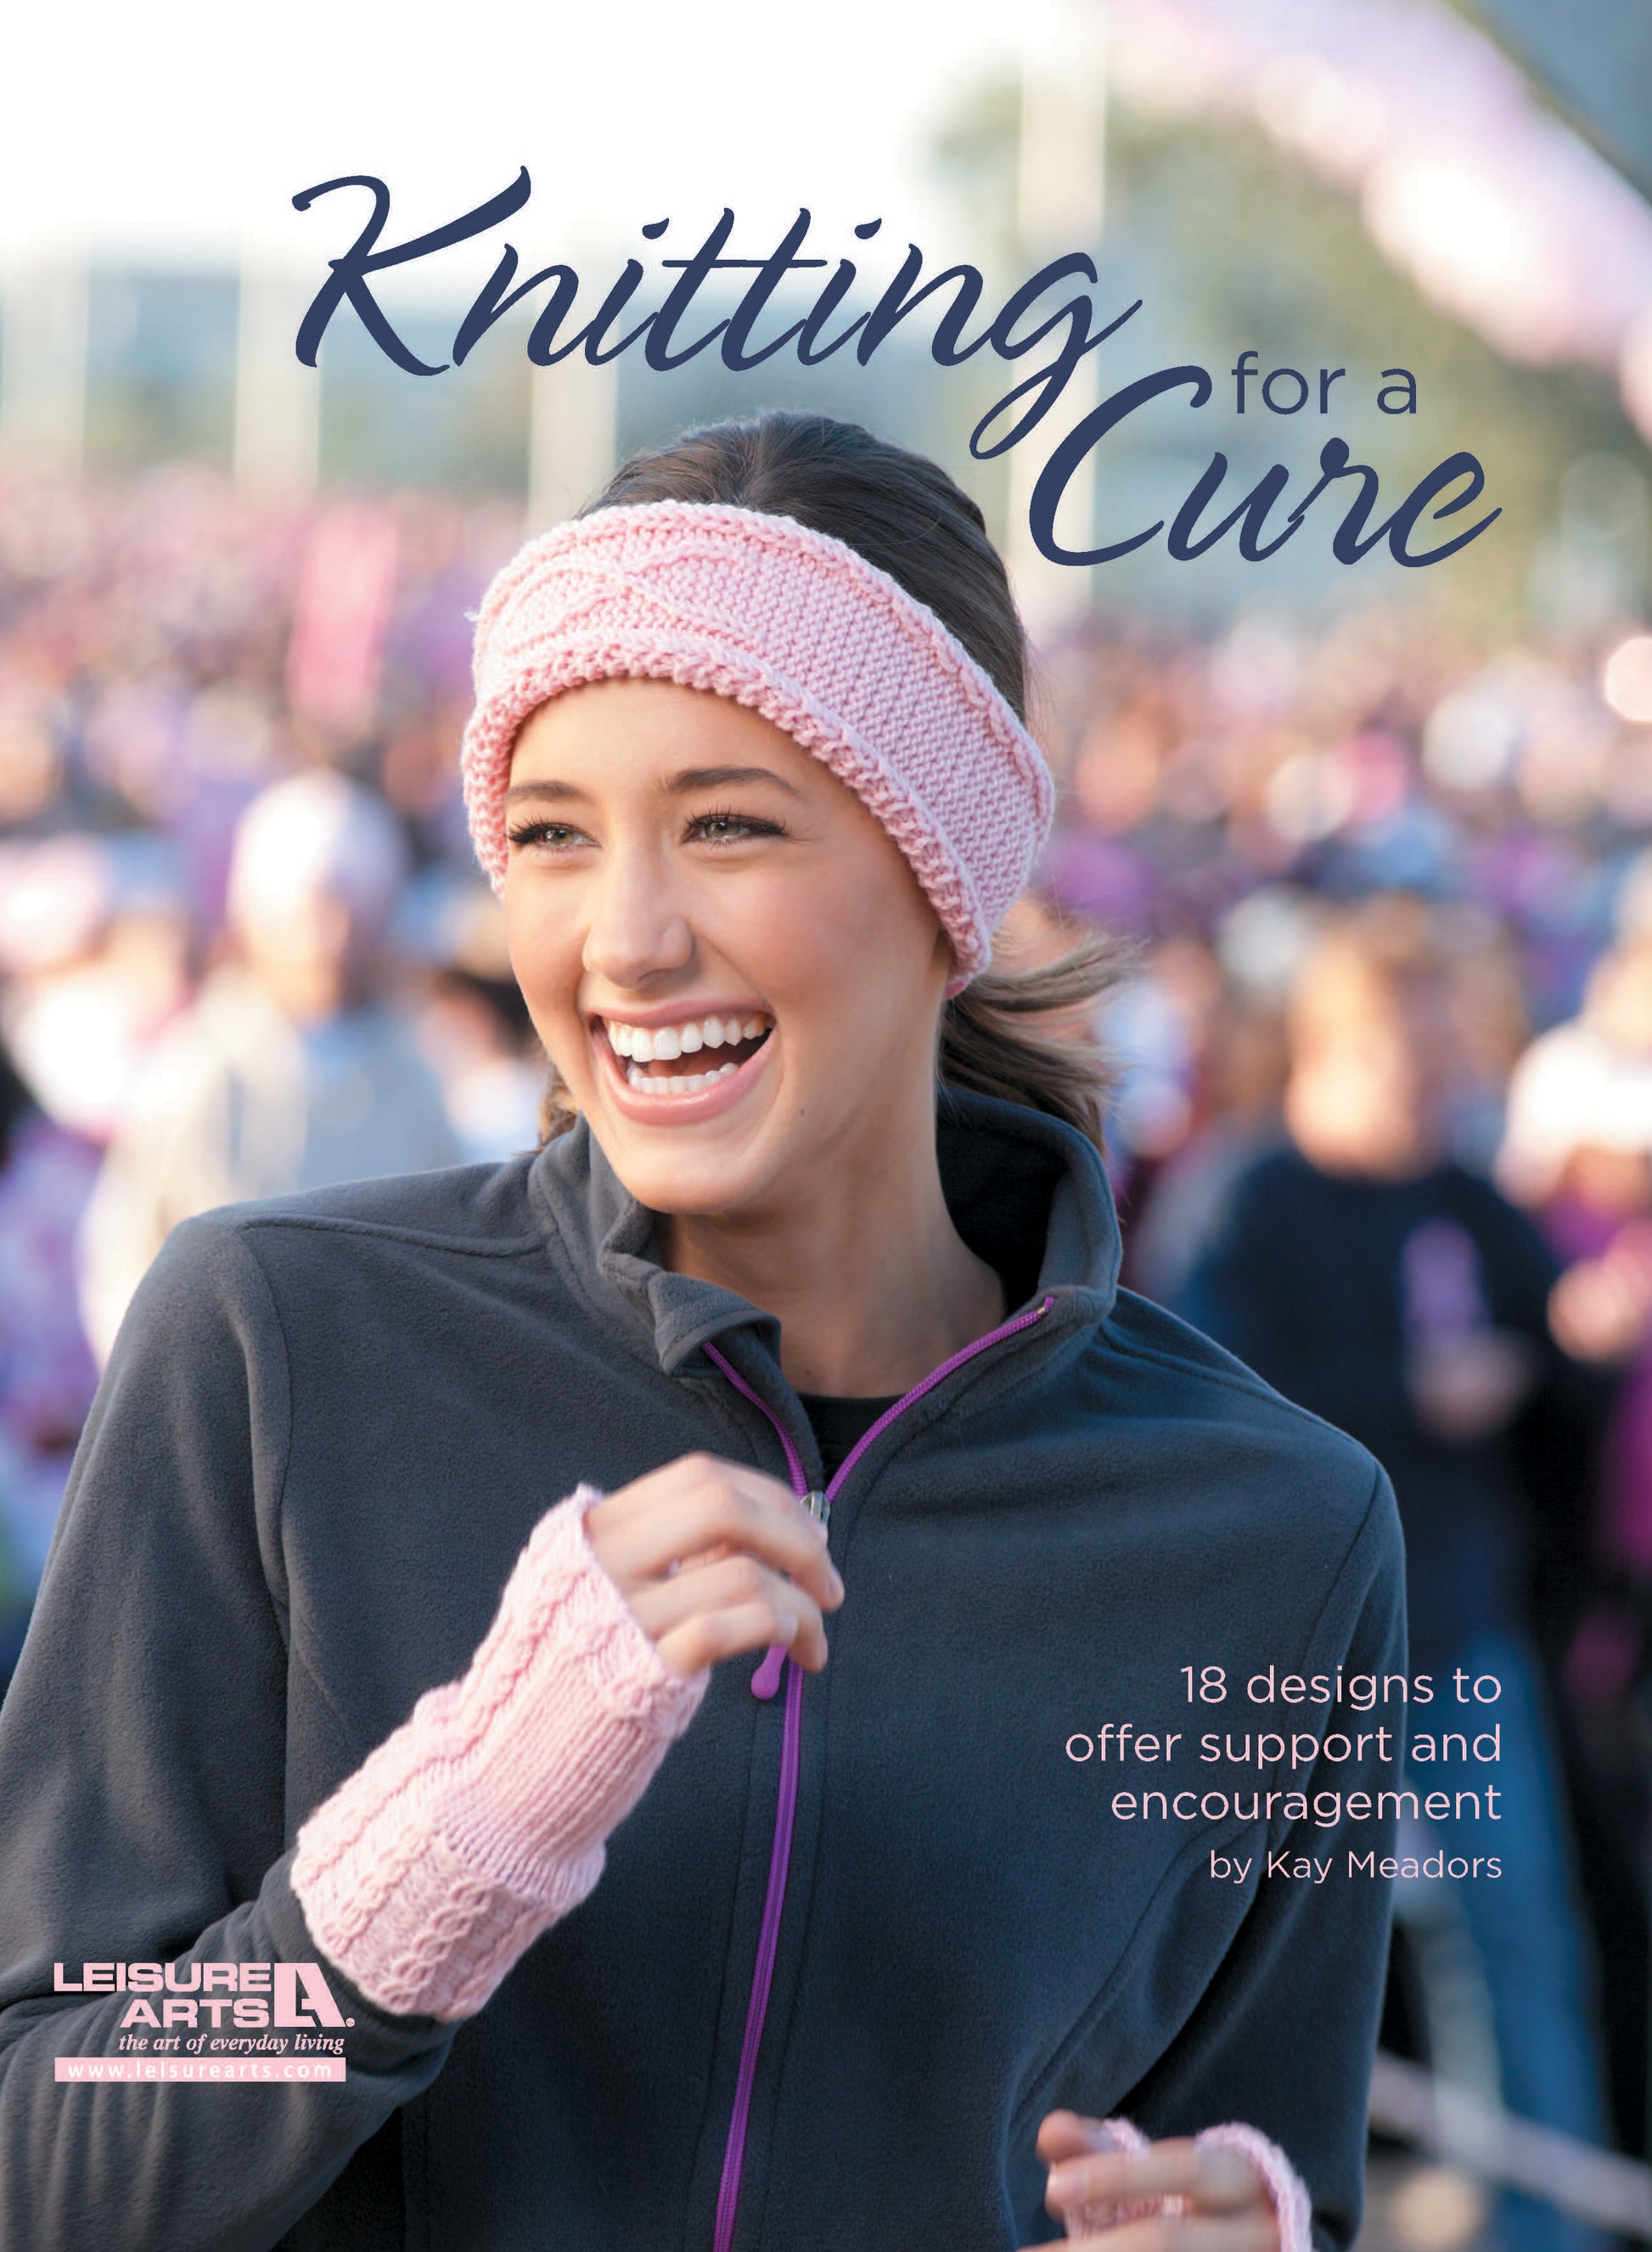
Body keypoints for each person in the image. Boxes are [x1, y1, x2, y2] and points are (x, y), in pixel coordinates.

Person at [0, 414, 1403, 2252]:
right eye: (552, 837)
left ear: (943, 872)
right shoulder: (273, 1345)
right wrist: (438, 1849)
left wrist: (1253, 2239)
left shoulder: (1276, 1535)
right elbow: (51, 2123)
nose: (625, 938)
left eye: (729, 825)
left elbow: (1271, 2164)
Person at [1180, 899, 1618, 2252]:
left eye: (1448, 1058)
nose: (1434, 1086)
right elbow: (1210, 1408)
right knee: (1257, 1970)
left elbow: (1546, 1353)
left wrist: (1569, 1346)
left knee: (1509, 1959)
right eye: (1407, 1058)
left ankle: (1544, 2224)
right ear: (1330, 1047)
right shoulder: (1246, 1200)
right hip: (1293, 1663)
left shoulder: (1458, 1193)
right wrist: (1406, 1393)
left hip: (1458, 1635)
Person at [77, 768, 464, 1366]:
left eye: (350, 909)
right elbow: (125, 1258)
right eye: (306, 912)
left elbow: (449, 1262)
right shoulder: (201, 1070)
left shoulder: (413, 1078)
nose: (328, 940)